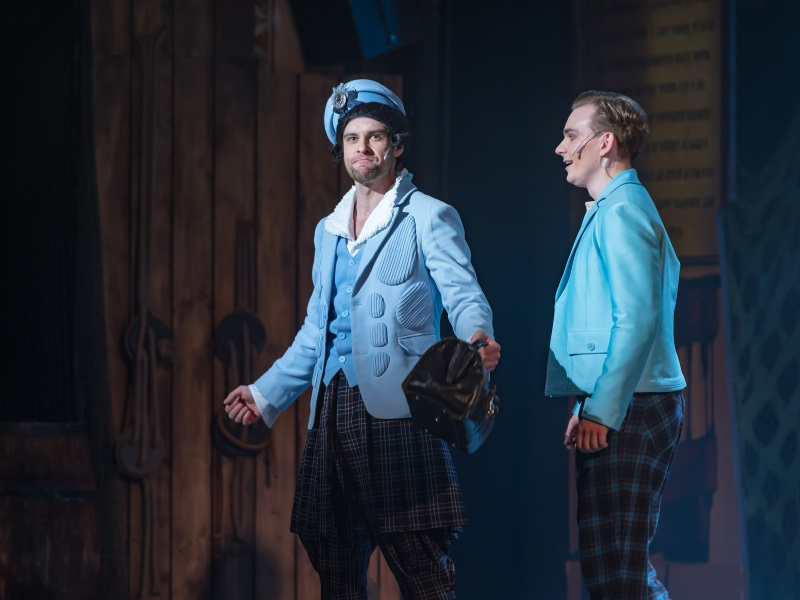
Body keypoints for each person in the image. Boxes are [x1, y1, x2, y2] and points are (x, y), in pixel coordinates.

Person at [224, 78, 500, 600]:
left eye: (375, 136)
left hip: (401, 408)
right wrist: (264, 394)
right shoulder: (328, 230)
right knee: (334, 561)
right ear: (341, 149)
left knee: (420, 563)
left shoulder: (428, 215)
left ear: (396, 145)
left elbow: (463, 294)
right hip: (332, 410)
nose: (363, 148)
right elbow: (317, 331)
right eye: (352, 138)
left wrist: (477, 336)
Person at [546, 90, 687, 599]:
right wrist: (587, 404)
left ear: (605, 143)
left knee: (618, 578)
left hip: (634, 406)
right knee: (611, 573)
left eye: (571, 136)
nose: (561, 148)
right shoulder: (614, 208)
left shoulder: (623, 211)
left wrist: (603, 410)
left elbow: (637, 320)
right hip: (624, 402)